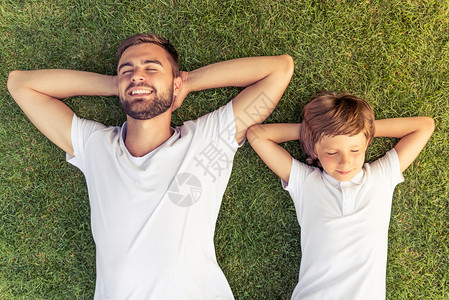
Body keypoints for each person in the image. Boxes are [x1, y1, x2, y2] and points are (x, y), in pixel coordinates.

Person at [7, 33, 294, 299]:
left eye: (151, 68)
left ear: (175, 83)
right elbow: (20, 84)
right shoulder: (94, 145)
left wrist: (189, 81)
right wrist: (118, 85)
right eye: (126, 70)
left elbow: (279, 69)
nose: (137, 76)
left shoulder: (209, 139)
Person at [247, 92, 434, 299]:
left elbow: (424, 126)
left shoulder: (381, 177)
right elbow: (257, 135)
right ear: (315, 152)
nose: (345, 162)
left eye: (355, 150)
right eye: (332, 153)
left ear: (366, 144)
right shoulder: (305, 182)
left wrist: (359, 128)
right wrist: (315, 132)